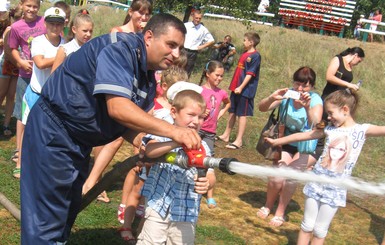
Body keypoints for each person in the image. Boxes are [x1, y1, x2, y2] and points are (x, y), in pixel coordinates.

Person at [20, 13, 199, 244]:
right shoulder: (120, 50)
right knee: (46, 219)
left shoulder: (147, 79)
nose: (176, 54)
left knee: (65, 211)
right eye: (171, 45)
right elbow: (118, 108)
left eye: (179, 48)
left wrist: (146, 142)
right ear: (149, 36)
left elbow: (127, 124)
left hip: (77, 141)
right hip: (53, 131)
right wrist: (174, 130)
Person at [265, 89, 385, 244]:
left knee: (320, 230)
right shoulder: (328, 128)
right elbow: (305, 134)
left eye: (330, 113)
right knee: (307, 225)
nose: (328, 117)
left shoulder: (362, 130)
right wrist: (277, 142)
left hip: (335, 189)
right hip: (316, 183)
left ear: (345, 110)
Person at [118, 66, 188, 242]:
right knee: (137, 191)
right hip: (148, 157)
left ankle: (144, 231)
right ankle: (126, 225)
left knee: (150, 198)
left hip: (163, 164)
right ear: (165, 87)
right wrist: (139, 154)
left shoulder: (180, 111)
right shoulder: (154, 106)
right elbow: (143, 132)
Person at [136, 90, 211, 245]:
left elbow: (210, 172)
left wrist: (208, 182)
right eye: (191, 115)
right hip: (158, 205)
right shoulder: (164, 134)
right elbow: (150, 151)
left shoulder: (202, 145)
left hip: (186, 211)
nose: (196, 121)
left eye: (201, 117)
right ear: (174, 112)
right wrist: (177, 141)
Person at [256, 66, 323, 227]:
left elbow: (316, 122)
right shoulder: (287, 95)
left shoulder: (315, 100)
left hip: (308, 145)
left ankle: (280, 212)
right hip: (286, 141)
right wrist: (272, 98)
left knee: (291, 177)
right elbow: (261, 108)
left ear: (312, 86)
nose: (299, 89)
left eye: (305, 86)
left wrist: (307, 107)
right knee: (277, 176)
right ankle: (267, 205)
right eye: (297, 84)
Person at [8, 0, 46, 179]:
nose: (31, 9)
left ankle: (36, 154)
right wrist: (20, 62)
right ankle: (19, 152)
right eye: (28, 5)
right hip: (25, 76)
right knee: (22, 116)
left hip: (43, 76)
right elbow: (13, 48)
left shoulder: (45, 22)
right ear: (22, 5)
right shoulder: (16, 27)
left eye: (35, 6)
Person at [216, 32, 261, 150]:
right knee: (232, 111)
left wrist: (241, 87)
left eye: (245, 40)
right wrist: (235, 86)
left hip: (245, 90)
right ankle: (226, 134)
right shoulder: (244, 54)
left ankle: (239, 140)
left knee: (242, 114)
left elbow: (250, 74)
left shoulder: (255, 56)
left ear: (251, 42)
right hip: (235, 88)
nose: (243, 42)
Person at [21, 7, 66, 124]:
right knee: (29, 126)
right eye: (51, 24)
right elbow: (40, 63)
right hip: (36, 93)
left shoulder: (66, 43)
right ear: (45, 23)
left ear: (63, 25)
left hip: (54, 96)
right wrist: (61, 57)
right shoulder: (38, 41)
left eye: (59, 24)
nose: (55, 27)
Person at [198, 60, 230, 208]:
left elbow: (227, 103)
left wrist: (219, 115)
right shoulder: (198, 91)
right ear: (207, 74)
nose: (219, 78)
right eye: (217, 75)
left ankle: (210, 195)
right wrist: (199, 112)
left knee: (209, 162)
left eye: (221, 76)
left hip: (210, 133)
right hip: (197, 130)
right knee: (194, 157)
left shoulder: (221, 93)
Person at [0, 4, 22, 136]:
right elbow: (7, 52)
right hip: (7, 65)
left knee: (11, 95)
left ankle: (6, 124)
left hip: (17, 66)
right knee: (1, 94)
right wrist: (19, 62)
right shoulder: (9, 29)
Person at [183, 9, 215, 77]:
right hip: (184, 50)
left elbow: (212, 40)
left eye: (199, 18)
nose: (197, 20)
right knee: (179, 68)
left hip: (193, 53)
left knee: (188, 71)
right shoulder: (186, 25)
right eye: (196, 18)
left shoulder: (203, 29)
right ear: (193, 17)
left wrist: (202, 46)